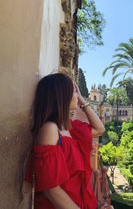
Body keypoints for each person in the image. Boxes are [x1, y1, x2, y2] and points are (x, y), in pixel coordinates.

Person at [25, 72, 105, 209]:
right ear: (62, 96)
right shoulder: (50, 129)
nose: (77, 95)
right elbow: (51, 190)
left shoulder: (69, 128)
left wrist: (83, 102)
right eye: (74, 92)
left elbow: (100, 129)